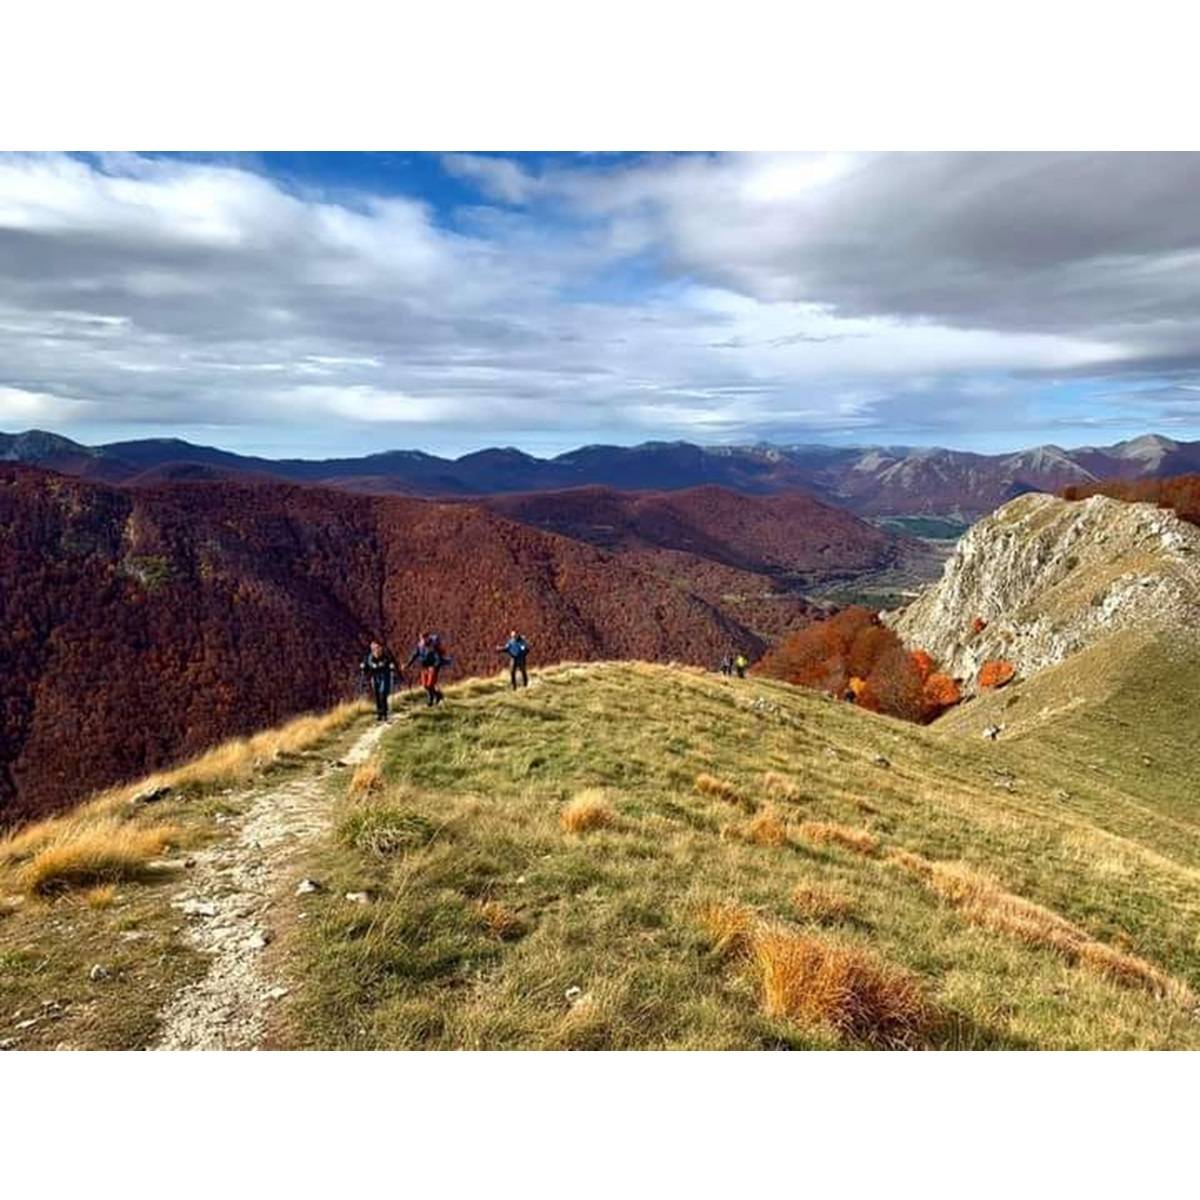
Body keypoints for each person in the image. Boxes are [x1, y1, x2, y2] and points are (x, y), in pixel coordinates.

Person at [407, 631, 450, 706]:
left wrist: (435, 666)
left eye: (424, 638)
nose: (422, 640)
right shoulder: (420, 646)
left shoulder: (433, 646)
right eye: (421, 639)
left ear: (427, 638)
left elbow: (437, 657)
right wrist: (408, 664)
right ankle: (438, 695)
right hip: (424, 667)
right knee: (425, 685)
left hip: (433, 667)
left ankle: (430, 701)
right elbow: (414, 655)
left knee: (430, 684)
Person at [361, 640, 397, 722]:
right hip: (374, 677)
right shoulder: (369, 658)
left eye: (378, 648)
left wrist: (392, 666)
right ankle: (379, 713)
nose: (376, 650)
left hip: (384, 677)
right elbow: (366, 667)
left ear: (380, 648)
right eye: (374, 648)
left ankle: (384, 713)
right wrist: (363, 667)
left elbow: (391, 662)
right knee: (377, 695)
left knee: (382, 693)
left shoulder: (385, 656)